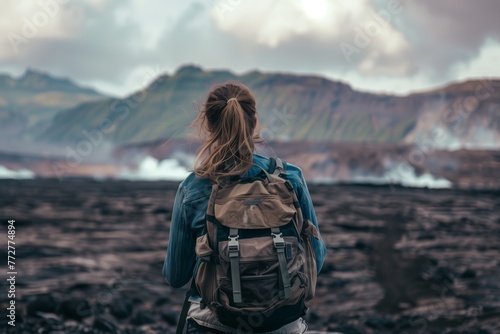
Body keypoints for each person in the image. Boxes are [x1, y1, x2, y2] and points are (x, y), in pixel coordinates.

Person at [163, 81, 326, 333]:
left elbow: (175, 276)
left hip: (215, 324)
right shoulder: (290, 178)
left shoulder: (193, 188)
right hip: (282, 325)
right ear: (253, 122)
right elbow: (317, 256)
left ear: (208, 124)